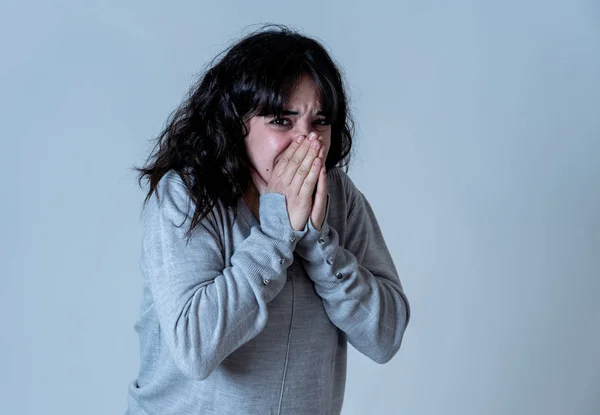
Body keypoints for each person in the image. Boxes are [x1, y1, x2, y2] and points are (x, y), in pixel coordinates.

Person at [126, 24, 411, 415]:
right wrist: (279, 232)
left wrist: (318, 240)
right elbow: (195, 348)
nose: (307, 140)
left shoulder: (339, 195)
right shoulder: (186, 195)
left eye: (320, 122)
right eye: (282, 120)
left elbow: (386, 336)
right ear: (237, 121)